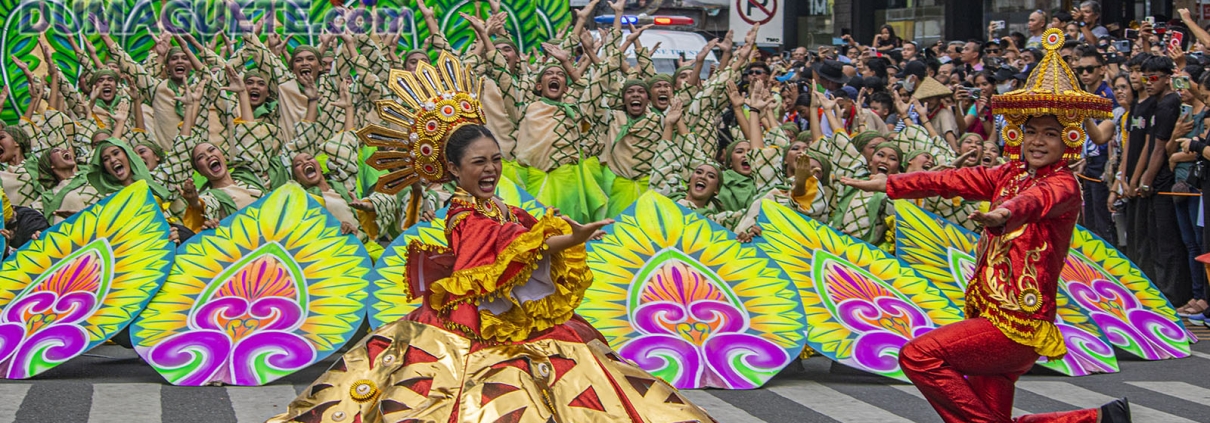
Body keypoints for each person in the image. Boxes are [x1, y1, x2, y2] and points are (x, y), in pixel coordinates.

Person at [268, 55, 714, 423]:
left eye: (496, 160)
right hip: (469, 321)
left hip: (514, 314)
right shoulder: (464, 213)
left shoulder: (502, 206)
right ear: (454, 169)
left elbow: (526, 233)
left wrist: (561, 233)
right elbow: (507, 247)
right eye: (478, 162)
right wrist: (568, 239)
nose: (491, 170)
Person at [839, 29, 1129, 423]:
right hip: (990, 314)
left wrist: (1004, 215)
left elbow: (1034, 202)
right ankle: (1096, 419)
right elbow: (949, 180)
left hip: (1018, 324)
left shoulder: (1064, 184)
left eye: (1050, 134)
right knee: (989, 415)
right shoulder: (1008, 173)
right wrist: (891, 183)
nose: (1037, 141)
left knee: (919, 355)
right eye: (1031, 131)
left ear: (1069, 139)